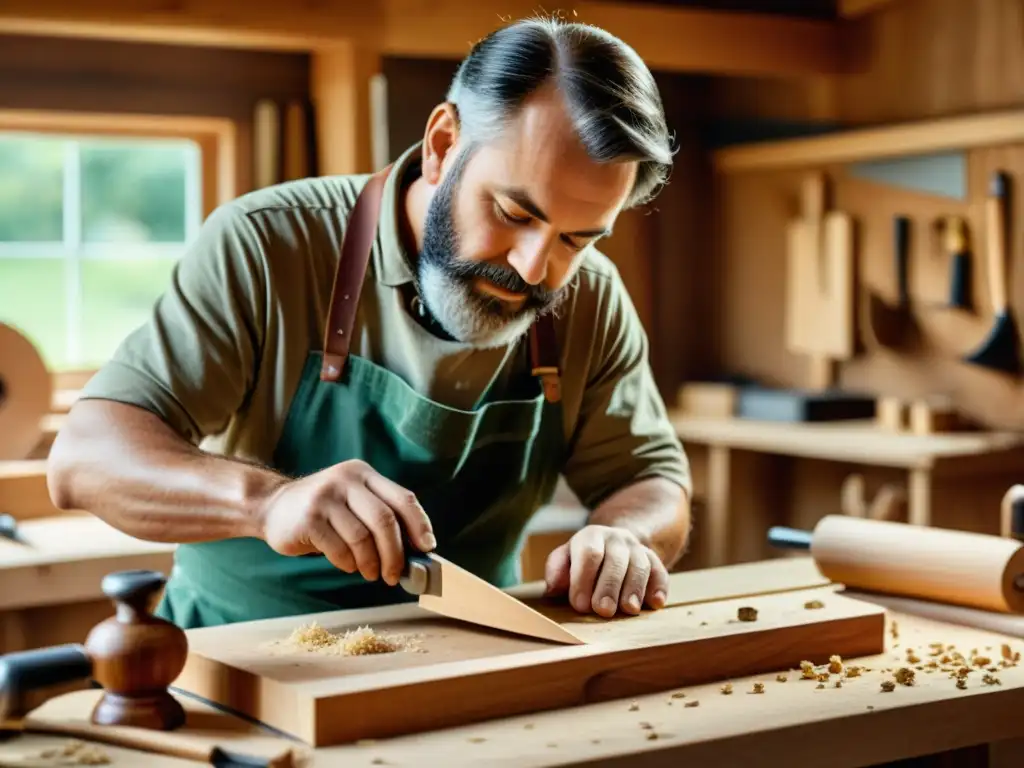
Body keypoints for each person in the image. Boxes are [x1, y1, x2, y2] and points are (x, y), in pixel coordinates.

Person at [46, 16, 693, 630]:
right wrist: (266, 503)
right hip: (244, 656)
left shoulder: (590, 297)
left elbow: (652, 480)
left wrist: (627, 537)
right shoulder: (268, 244)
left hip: (474, 653)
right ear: (442, 146)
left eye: (576, 240)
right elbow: (83, 461)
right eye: (513, 213)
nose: (532, 268)